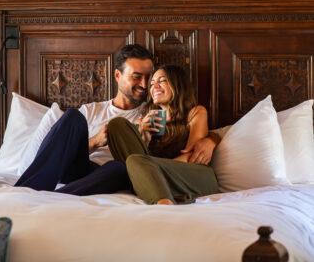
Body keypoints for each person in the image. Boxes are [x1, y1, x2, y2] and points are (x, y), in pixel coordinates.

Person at [15, 45, 218, 196]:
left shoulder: (153, 112)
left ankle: (54, 198)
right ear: (117, 75)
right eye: (137, 77)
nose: (145, 85)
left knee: (119, 168)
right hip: (79, 169)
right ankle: (26, 191)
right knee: (72, 116)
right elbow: (60, 151)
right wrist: (96, 140)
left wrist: (212, 139)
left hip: (113, 176)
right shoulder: (91, 110)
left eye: (150, 78)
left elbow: (179, 135)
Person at [107, 64, 219, 205]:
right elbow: (137, 158)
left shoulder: (195, 112)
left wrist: (151, 167)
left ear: (177, 84)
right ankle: (156, 191)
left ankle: (163, 204)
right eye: (152, 83)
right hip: (157, 176)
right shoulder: (147, 121)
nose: (155, 87)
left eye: (162, 81)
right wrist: (143, 136)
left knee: (136, 161)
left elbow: (193, 157)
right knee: (117, 125)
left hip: (193, 175)